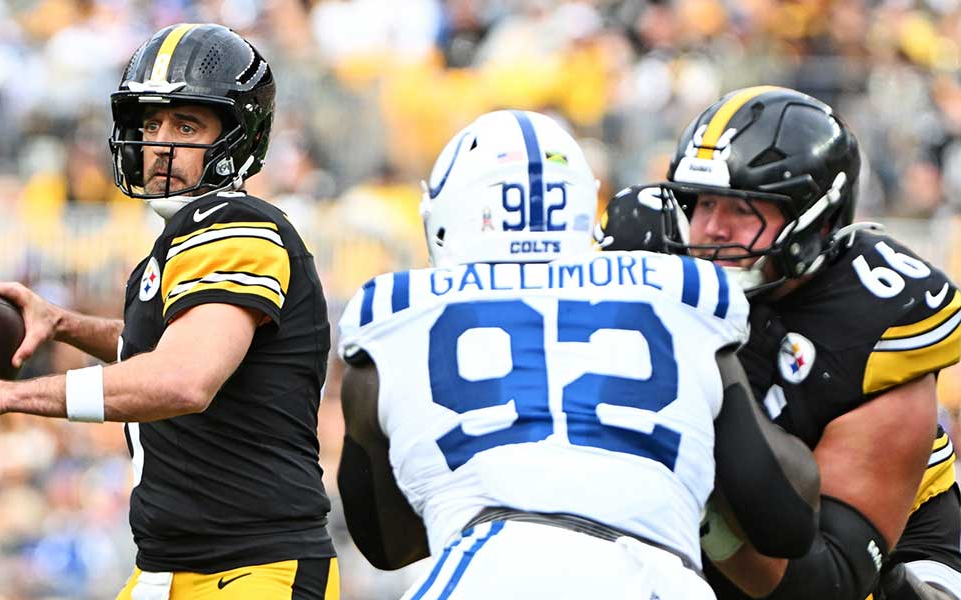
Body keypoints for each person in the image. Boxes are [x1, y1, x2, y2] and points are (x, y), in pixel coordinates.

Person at [0, 23, 339, 600]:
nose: (160, 145)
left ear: (239, 134)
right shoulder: (180, 241)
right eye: (150, 125)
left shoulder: (238, 226)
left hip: (251, 569)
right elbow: (163, 350)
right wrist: (65, 324)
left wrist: (9, 396)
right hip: (168, 569)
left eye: (187, 124)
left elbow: (183, 379)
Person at [335, 109, 822, 599]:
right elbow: (786, 519)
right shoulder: (683, 296)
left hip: (486, 572)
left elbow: (386, 545)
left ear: (446, 217)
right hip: (654, 578)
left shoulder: (391, 316)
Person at [604, 85, 961, 599]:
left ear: (816, 220)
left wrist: (698, 500)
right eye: (703, 203)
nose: (708, 231)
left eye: (743, 209)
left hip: (882, 554)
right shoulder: (651, 252)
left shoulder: (875, 318)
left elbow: (828, 582)